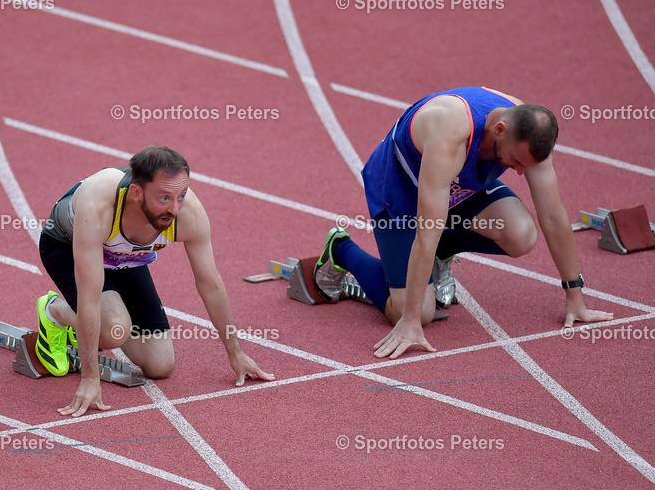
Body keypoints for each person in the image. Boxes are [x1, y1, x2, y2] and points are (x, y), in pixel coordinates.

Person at [311, 86, 613, 358]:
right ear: (499, 129)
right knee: (415, 310)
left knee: (522, 234)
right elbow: (427, 232)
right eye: (516, 162)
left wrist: (575, 296)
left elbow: (553, 216)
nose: (520, 173)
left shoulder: (529, 130)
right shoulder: (450, 132)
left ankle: (442, 254)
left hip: (457, 188)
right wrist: (412, 323)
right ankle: (340, 250)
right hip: (401, 192)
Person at [35, 145, 274, 416]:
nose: (174, 209)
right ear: (137, 193)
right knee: (114, 328)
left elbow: (210, 283)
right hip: (68, 246)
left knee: (160, 365)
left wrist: (236, 353)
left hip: (124, 256)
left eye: (181, 196)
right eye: (164, 199)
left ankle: (86, 326)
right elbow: (89, 295)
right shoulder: (99, 205)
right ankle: (54, 312)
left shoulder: (188, 212)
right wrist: (90, 377)